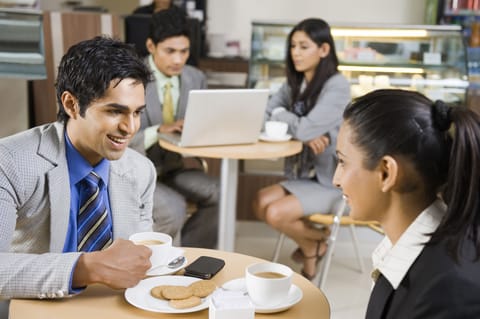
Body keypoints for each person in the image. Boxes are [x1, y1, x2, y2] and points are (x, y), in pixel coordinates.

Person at [0, 36, 155, 300]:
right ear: (71, 104)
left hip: (110, 303)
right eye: (115, 112)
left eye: (137, 112)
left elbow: (137, 253)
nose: (130, 128)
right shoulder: (11, 162)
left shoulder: (142, 171)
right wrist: (84, 268)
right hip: (34, 305)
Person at [334, 89, 480, 318]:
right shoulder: (413, 250)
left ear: (386, 173)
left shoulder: (448, 295)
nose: (336, 180)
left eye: (343, 162)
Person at [252, 18, 351, 280]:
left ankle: (310, 251)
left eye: (304, 46)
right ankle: (315, 241)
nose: (296, 52)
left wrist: (286, 117)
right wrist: (300, 125)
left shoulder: (337, 85)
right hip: (306, 175)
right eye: (293, 45)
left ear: (324, 50)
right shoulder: (294, 84)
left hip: (333, 182)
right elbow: (264, 113)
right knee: (259, 201)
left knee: (274, 212)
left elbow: (304, 129)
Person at [129, 7, 219, 248]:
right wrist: (157, 131)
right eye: (170, 51)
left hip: (174, 167)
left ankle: (189, 254)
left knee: (222, 194)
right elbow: (116, 139)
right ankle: (165, 263)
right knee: (173, 208)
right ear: (151, 46)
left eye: (184, 51)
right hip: (138, 171)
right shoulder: (129, 78)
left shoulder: (195, 77)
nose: (178, 60)